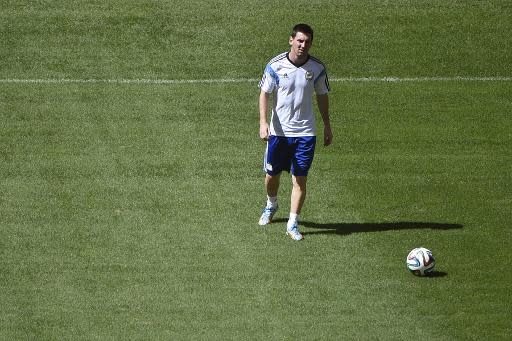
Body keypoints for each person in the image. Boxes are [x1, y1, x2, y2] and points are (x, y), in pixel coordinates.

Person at [258, 23, 332, 241]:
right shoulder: (276, 65)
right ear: (291, 40)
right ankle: (271, 204)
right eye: (299, 41)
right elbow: (264, 93)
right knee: (272, 175)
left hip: (305, 133)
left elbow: (322, 96)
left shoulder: (317, 68)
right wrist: (263, 123)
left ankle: (292, 222)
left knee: (300, 179)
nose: (303, 45)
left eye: (307, 42)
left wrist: (327, 124)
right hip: (279, 133)